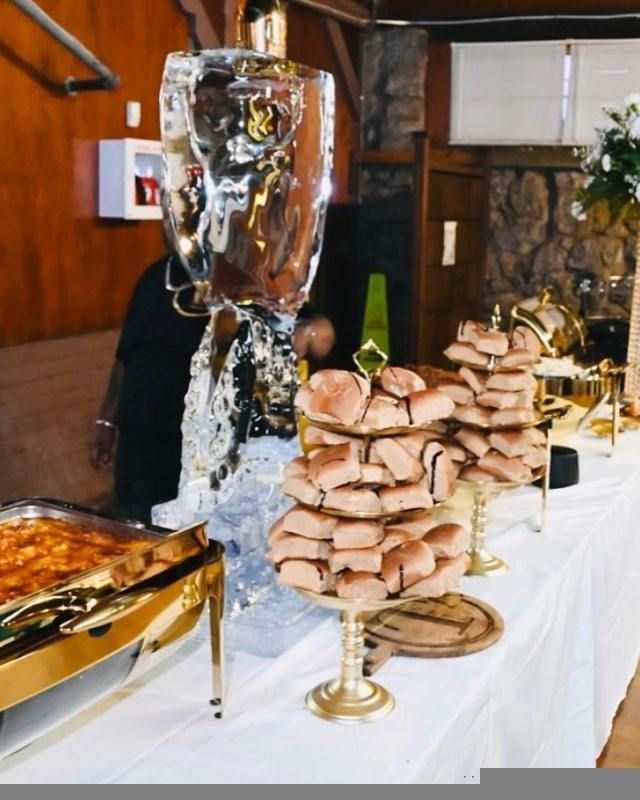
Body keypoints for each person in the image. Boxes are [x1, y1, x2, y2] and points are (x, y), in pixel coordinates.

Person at [90, 254, 334, 523]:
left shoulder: (252, 277)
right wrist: (107, 417)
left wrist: (306, 331)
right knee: (136, 534)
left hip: (200, 454)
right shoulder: (158, 274)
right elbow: (128, 352)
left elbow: (322, 336)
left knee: (193, 542)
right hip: (137, 444)